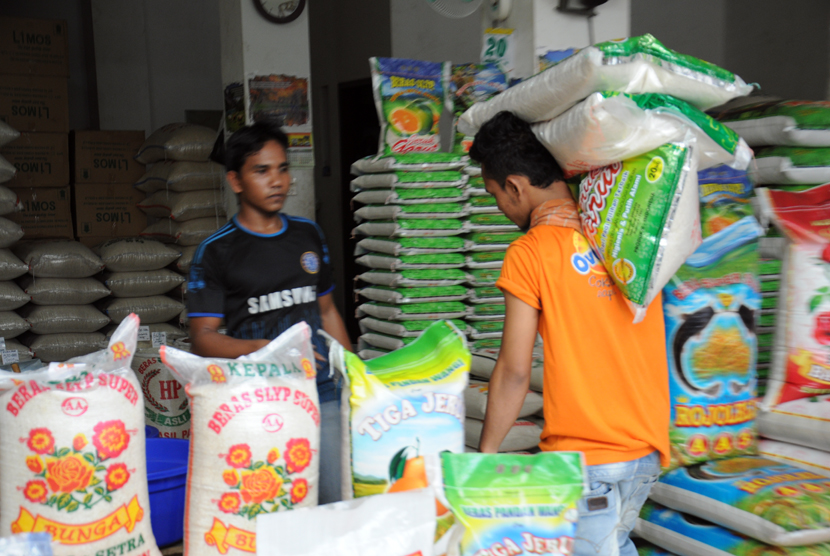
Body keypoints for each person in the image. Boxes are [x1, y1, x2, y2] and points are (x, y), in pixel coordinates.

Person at [470, 111, 669, 556]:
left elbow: (515, 370)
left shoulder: (530, 252)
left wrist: (484, 455)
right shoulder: (627, 233)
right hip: (647, 449)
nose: (500, 207)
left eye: (495, 194)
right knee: (615, 544)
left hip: (589, 458)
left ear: (517, 186)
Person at [187, 119, 352, 504]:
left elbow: (326, 311)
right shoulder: (216, 251)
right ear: (236, 181)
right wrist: (270, 350)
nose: (277, 181)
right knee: (272, 505)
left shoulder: (308, 235)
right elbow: (203, 338)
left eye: (282, 169)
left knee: (333, 502)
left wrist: (354, 374)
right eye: (261, 171)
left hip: (321, 391)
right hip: (257, 399)